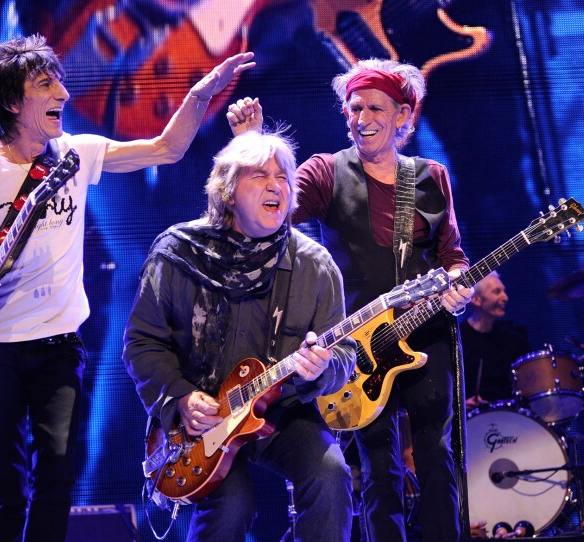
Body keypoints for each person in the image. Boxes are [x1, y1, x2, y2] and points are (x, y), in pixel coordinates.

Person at [0, 34, 254, 542]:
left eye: (59, 82)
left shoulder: (75, 155)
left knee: (57, 475)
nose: (63, 93)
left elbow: (166, 149)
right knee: (7, 490)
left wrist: (201, 93)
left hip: (59, 348)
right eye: (46, 85)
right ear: (12, 102)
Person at [227, 58, 473, 542]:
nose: (363, 118)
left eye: (375, 108)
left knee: (436, 452)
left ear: (404, 115)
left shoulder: (430, 176)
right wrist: (252, 147)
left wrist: (459, 286)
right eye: (354, 108)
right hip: (358, 345)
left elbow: (453, 257)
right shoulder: (326, 171)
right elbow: (272, 212)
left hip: (427, 331)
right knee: (377, 464)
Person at [122, 131, 356, 541]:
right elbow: (142, 342)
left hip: (281, 413)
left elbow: (344, 357)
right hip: (202, 419)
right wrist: (180, 397)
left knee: (331, 475)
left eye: (283, 178)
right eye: (260, 176)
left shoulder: (316, 266)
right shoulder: (178, 252)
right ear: (228, 193)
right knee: (232, 505)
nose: (275, 186)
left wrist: (321, 368)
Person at [460, 272, 530, 410]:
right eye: (497, 292)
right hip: (471, 417)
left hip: (508, 415)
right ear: (476, 299)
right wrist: (461, 404)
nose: (505, 298)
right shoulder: (458, 340)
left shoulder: (514, 340)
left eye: (504, 291)